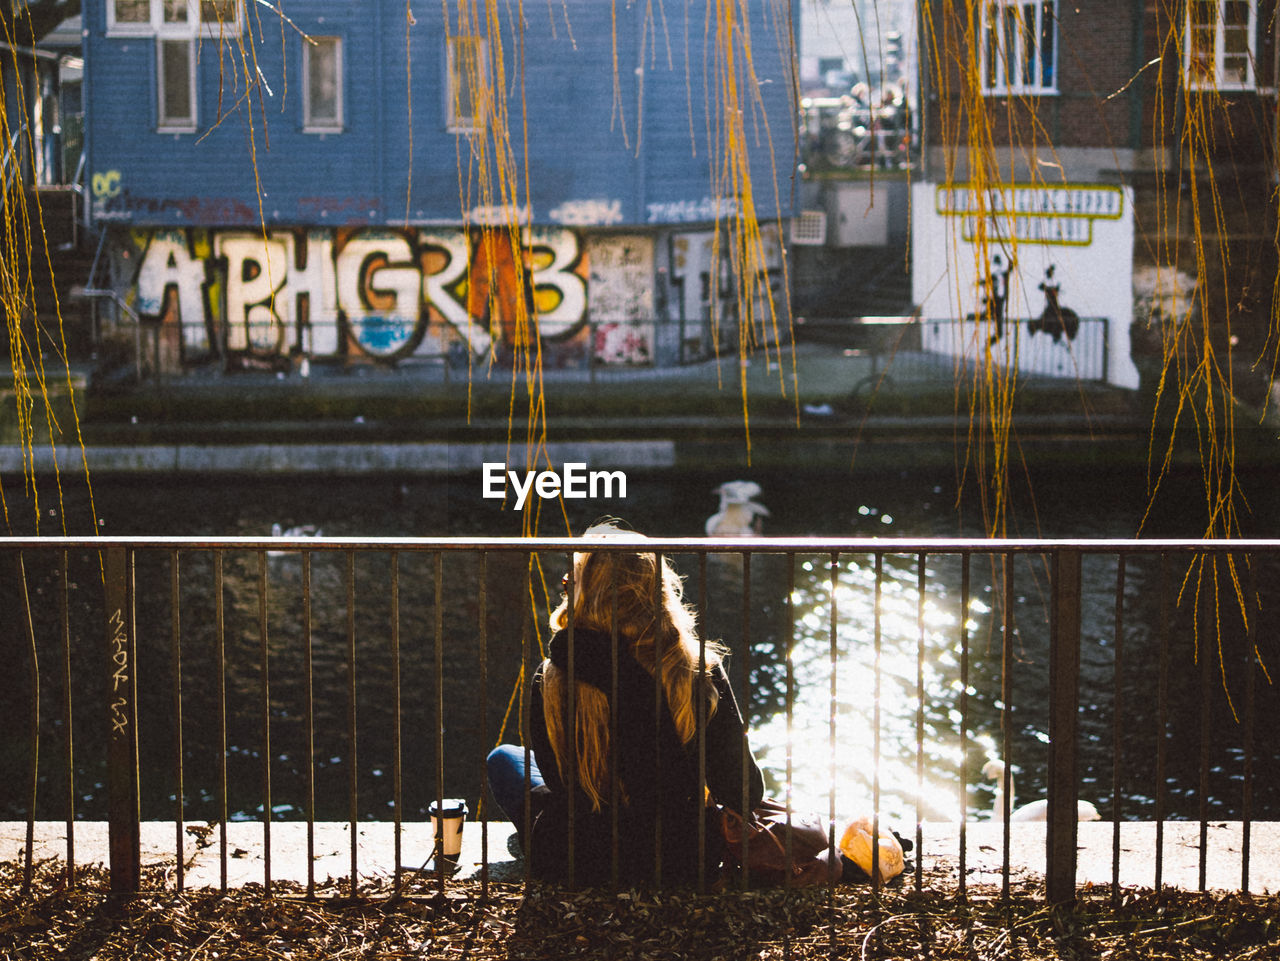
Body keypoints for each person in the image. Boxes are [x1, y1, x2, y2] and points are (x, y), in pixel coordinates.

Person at [486, 520, 765, 886]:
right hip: (683, 857)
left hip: (577, 856)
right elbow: (744, 791)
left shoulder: (555, 675)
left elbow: (556, 779)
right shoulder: (696, 668)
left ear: (582, 592)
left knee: (504, 758)